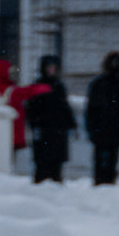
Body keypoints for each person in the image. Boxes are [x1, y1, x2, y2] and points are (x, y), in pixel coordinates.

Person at [22, 54, 75, 183]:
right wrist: (36, 124)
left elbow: (64, 106)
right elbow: (32, 108)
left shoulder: (59, 86)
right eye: (49, 67)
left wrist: (70, 123)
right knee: (42, 164)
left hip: (58, 131)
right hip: (44, 131)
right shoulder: (38, 86)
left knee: (56, 165)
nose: (52, 70)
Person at [85, 52, 119, 185]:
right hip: (102, 128)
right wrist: (91, 128)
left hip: (114, 129)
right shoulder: (99, 84)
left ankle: (109, 182)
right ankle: (100, 182)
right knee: (101, 158)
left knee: (112, 158)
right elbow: (91, 109)